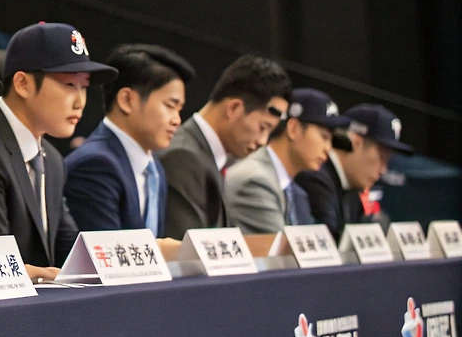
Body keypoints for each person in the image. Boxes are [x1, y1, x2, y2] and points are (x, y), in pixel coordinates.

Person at [0, 23, 118, 281]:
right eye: (69, 84)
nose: (80, 101)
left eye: (84, 86)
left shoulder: (51, 159)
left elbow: (70, 250)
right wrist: (41, 274)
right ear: (22, 84)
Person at [64, 44, 195, 236]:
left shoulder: (154, 168)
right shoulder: (95, 164)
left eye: (179, 109)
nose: (177, 120)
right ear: (127, 100)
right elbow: (106, 250)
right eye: (170, 106)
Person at [158, 55, 293, 239]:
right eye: (263, 127)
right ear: (234, 108)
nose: (263, 141)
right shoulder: (183, 157)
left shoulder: (208, 157)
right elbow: (186, 251)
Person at [226, 88, 351, 235]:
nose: (328, 149)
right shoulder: (256, 180)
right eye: (324, 137)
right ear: (293, 128)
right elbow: (279, 247)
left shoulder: (297, 193)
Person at [295, 104, 412, 239]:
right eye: (382, 157)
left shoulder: (353, 187)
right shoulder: (315, 177)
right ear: (356, 142)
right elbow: (329, 243)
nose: (383, 170)